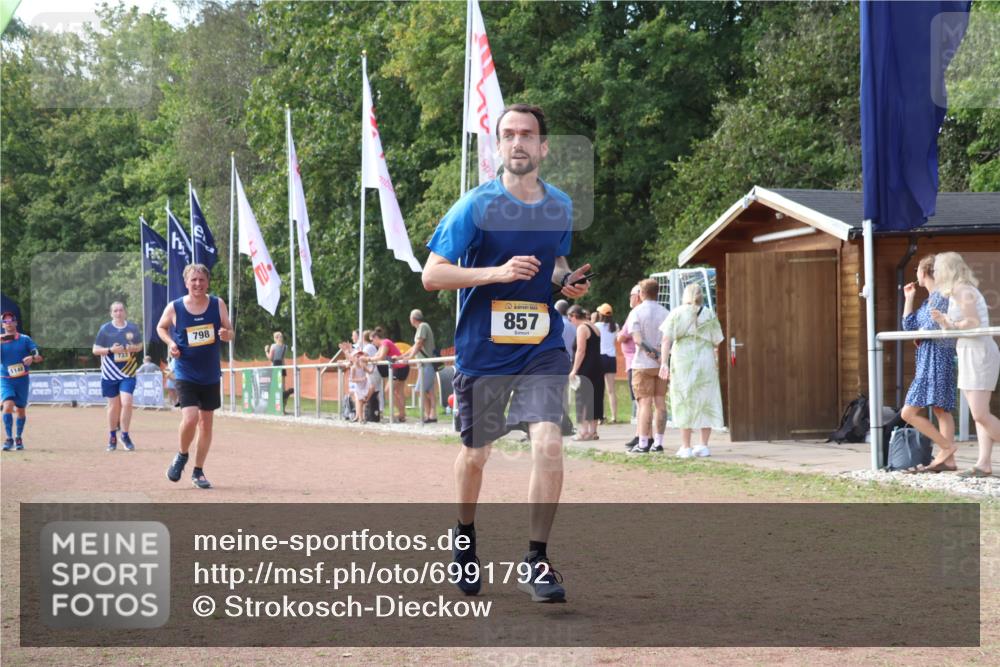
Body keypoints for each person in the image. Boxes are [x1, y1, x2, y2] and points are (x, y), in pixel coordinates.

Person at [423, 103, 590, 603]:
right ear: (498, 147)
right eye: (508, 134)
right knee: (476, 455)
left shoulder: (559, 204)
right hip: (483, 348)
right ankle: (464, 535)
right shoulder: (474, 206)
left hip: (540, 343)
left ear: (543, 147)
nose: (518, 142)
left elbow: (554, 262)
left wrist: (567, 280)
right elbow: (432, 274)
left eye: (528, 135)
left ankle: (537, 560)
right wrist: (495, 274)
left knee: (548, 443)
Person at [157, 264, 234, 489]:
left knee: (206, 424)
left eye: (201, 280)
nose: (198, 284)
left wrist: (226, 334)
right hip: (185, 371)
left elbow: (230, 332)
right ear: (186, 283)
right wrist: (171, 343)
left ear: (207, 282)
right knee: (190, 418)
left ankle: (198, 471)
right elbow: (161, 328)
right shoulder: (175, 307)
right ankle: (181, 455)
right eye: (194, 280)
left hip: (210, 373)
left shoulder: (218, 304)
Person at [930, 252, 1000, 478]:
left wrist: (949, 322)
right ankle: (983, 464)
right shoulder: (955, 292)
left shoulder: (963, 290)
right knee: (979, 413)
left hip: (979, 353)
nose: (936, 274)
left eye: (938, 269)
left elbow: (972, 322)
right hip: (969, 352)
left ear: (948, 270)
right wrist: (945, 322)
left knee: (980, 414)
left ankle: (984, 463)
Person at [899, 255, 956, 473]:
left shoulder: (941, 297)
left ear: (924, 272)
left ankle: (946, 447)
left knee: (909, 412)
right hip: (926, 357)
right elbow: (909, 326)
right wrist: (909, 298)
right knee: (941, 409)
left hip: (937, 356)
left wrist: (920, 335)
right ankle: (948, 460)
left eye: (917, 270)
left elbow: (930, 328)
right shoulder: (926, 300)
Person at [658, 283, 724, 457]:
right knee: (706, 399)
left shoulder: (677, 313)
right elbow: (718, 340)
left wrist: (664, 362)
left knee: (683, 399)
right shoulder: (709, 314)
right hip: (705, 360)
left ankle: (685, 446)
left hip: (682, 360)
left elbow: (666, 340)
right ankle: (703, 445)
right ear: (701, 296)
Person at [624, 279, 669, 453]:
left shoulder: (636, 312)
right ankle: (658, 442)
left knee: (644, 404)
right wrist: (660, 358)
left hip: (642, 363)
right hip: (661, 364)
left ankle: (643, 442)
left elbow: (637, 340)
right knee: (660, 403)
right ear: (657, 292)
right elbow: (667, 339)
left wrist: (651, 354)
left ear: (641, 294)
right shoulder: (665, 312)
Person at [92, 302, 143, 451]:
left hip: (128, 372)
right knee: (114, 406)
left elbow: (140, 346)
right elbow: (95, 350)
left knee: (127, 402)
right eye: (115, 311)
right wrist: (110, 350)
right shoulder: (105, 329)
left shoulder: (132, 328)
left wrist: (134, 348)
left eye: (121, 310)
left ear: (125, 312)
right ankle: (112, 436)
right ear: (111, 313)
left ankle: (125, 436)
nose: (118, 313)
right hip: (109, 373)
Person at [1, 312, 42, 451]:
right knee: (7, 406)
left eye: (11, 320)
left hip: (22, 379)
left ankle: (18, 437)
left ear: (16, 323)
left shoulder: (25, 339)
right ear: (2, 325)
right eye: (5, 321)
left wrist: (32, 357)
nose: (8, 323)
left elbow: (37, 355)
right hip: (6, 379)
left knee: (20, 410)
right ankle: (8, 438)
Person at [568, 305, 603, 441]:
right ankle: (593, 431)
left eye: (571, 319)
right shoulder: (595, 327)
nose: (571, 323)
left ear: (574, 316)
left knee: (582, 399)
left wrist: (574, 370)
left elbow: (581, 350)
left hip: (586, 368)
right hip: (597, 367)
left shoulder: (582, 328)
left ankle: (583, 432)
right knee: (595, 398)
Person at [398, 309, 438, 423]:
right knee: (429, 391)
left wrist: (409, 357)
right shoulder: (422, 328)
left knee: (419, 390)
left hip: (426, 364)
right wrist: (402, 356)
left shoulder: (422, 327)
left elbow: (419, 344)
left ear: (413, 319)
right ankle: (431, 415)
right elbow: (414, 346)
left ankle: (428, 415)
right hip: (425, 365)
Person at [617, 284, 641, 449]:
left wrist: (620, 335)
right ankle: (643, 435)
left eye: (631, 295)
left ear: (638, 296)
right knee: (645, 402)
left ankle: (641, 435)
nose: (629, 298)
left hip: (634, 362)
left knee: (640, 403)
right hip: (643, 361)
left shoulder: (635, 313)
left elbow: (623, 336)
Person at [369, 327, 409, 422]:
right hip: (401, 367)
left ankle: (401, 412)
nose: (372, 343)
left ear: (376, 338)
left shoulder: (385, 343)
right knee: (398, 392)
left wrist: (368, 359)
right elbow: (376, 356)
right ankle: (402, 414)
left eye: (372, 340)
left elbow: (381, 357)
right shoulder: (383, 345)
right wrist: (368, 358)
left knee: (388, 390)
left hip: (399, 368)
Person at [594, 303, 619, 424]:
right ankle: (614, 416)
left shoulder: (596, 326)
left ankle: (601, 416)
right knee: (611, 390)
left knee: (600, 389)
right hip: (611, 357)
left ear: (600, 314)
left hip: (600, 357)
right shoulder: (615, 326)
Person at [265, 331, 294, 414]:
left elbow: (270, 358)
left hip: (275, 367)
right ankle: (283, 409)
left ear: (276, 338)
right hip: (282, 367)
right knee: (283, 389)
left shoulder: (273, 346)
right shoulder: (285, 347)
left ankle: (274, 408)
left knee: (274, 388)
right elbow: (283, 359)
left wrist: (266, 351)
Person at [348, 349, 375, 422]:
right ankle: (361, 418)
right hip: (359, 387)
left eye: (360, 356)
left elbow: (370, 372)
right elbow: (352, 379)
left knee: (372, 387)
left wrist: (373, 365)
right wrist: (361, 379)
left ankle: (365, 400)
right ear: (353, 358)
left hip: (365, 385)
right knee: (360, 402)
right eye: (357, 356)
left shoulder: (362, 366)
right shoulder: (353, 368)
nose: (359, 357)